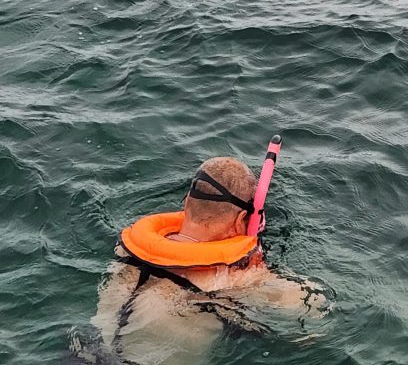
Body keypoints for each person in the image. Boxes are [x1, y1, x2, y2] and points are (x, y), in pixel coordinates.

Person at [69, 156, 324, 365]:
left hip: (82, 355)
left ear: (188, 202)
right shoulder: (231, 278)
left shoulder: (129, 251)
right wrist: (257, 266)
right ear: (239, 222)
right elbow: (315, 313)